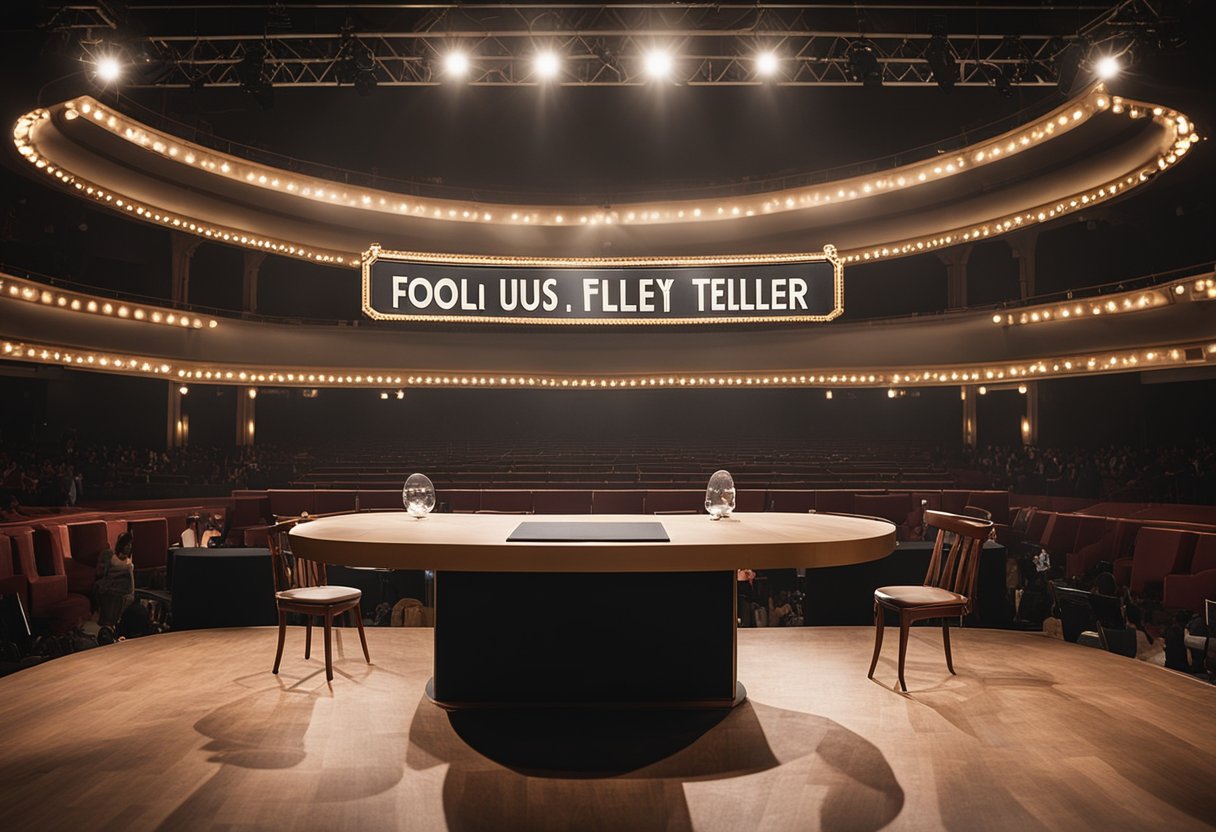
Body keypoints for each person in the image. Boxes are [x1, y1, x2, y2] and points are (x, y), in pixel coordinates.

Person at [95, 532, 136, 628]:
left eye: (130, 545)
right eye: (127, 545)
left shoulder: (129, 561)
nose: (129, 547)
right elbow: (106, 573)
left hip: (124, 586)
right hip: (112, 584)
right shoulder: (111, 557)